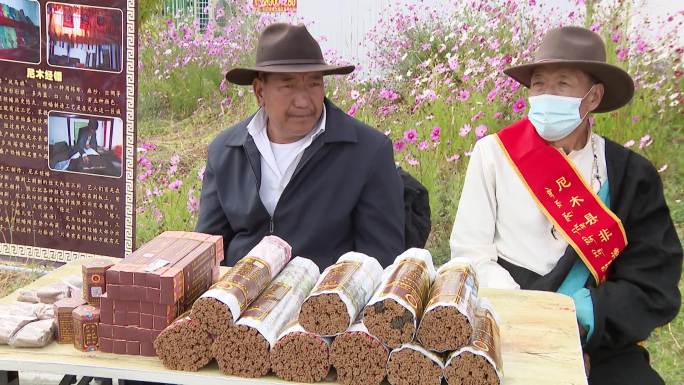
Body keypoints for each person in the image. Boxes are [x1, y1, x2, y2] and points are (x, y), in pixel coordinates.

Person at [449, 26, 681, 384]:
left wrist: (576, 323)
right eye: (539, 84)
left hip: (595, 336)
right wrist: (534, 320)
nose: (546, 94)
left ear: (593, 97)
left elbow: (651, 282)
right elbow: (470, 254)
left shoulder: (629, 174)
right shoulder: (493, 154)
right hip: (504, 322)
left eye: (562, 84)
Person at [196, 23, 405, 268]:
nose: (304, 101)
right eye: (289, 85)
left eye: (314, 84)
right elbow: (208, 250)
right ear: (260, 91)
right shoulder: (226, 151)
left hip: (325, 300)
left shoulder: (367, 151)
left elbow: (381, 260)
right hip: (241, 297)